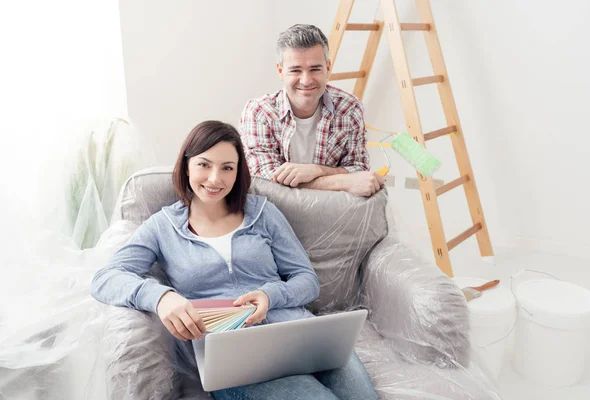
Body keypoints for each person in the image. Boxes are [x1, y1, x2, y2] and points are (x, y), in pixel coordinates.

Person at [91, 120, 378, 399]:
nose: (215, 179)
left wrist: (270, 294)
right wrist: (161, 297)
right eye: (204, 164)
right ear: (187, 164)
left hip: (299, 335)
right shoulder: (162, 226)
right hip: (233, 356)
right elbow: (106, 278)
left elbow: (307, 281)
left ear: (238, 172)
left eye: (227, 168)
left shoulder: (263, 212)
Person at [239, 24, 385, 197]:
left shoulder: (350, 108)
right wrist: (339, 180)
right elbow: (265, 181)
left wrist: (315, 170)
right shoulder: (259, 112)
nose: (306, 81)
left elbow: (358, 168)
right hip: (274, 214)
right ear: (280, 71)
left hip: (332, 212)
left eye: (315, 69)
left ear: (328, 67)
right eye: (295, 70)